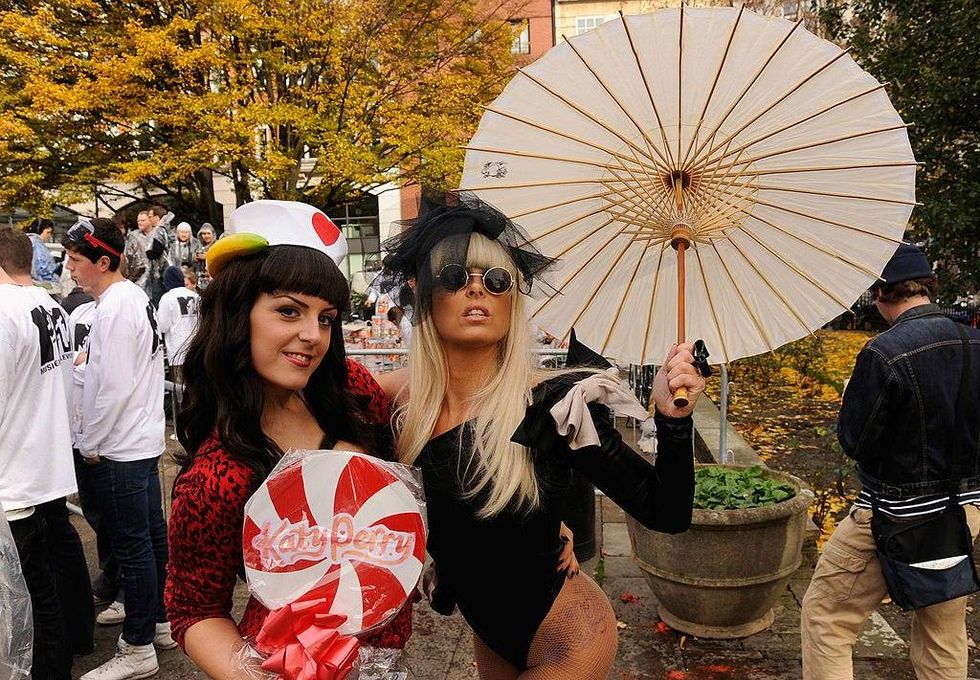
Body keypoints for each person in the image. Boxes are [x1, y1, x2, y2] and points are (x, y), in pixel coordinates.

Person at [375, 196, 705, 679]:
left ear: (513, 299)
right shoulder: (395, 405)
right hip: (488, 632)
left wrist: (674, 419)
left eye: (496, 280)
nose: (475, 290)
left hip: (568, 634)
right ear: (419, 290)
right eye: (452, 276)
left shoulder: (555, 405)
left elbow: (666, 511)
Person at [165, 200, 415, 679]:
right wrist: (258, 675)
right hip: (290, 663)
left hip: (391, 663)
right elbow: (193, 610)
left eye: (325, 318)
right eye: (288, 311)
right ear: (237, 314)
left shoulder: (353, 393)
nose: (312, 335)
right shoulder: (217, 476)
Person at [801, 243, 980, 679]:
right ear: (930, 287)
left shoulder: (885, 352)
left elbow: (856, 441)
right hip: (964, 512)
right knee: (943, 630)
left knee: (827, 618)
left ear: (881, 294)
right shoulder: (974, 340)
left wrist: (851, 402)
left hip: (894, 519)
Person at [61, 217, 173, 680]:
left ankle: (138, 644)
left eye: (74, 261)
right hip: (137, 439)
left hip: (125, 445)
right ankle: (158, 623)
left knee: (136, 546)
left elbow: (114, 387)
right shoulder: (126, 301)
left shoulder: (117, 306)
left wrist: (90, 440)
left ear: (103, 261)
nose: (69, 270)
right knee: (149, 540)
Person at [0, 228, 92, 679]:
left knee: (30, 594)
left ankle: (50, 668)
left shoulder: (3, 310)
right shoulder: (48, 304)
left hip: (15, 475)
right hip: (45, 461)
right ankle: (79, 639)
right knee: (54, 571)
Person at [157, 266, 200, 382]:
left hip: (178, 352)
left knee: (180, 391)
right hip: (197, 351)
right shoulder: (196, 296)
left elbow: (162, 326)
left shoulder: (167, 298)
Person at [136, 209, 171, 306]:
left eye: (150, 217)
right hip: (161, 271)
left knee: (158, 301)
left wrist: (147, 253)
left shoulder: (160, 230)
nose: (149, 219)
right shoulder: (166, 229)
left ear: (157, 217)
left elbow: (156, 252)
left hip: (159, 272)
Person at [24, 218, 61, 289]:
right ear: (40, 230)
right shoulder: (38, 244)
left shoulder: (25, 241)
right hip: (42, 283)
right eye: (48, 232)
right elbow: (42, 267)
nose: (49, 236)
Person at [192, 223, 216, 288]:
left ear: (213, 234)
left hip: (212, 279)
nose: (206, 236)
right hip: (199, 278)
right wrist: (195, 259)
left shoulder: (216, 245)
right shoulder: (197, 246)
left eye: (208, 233)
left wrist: (207, 257)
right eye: (204, 234)